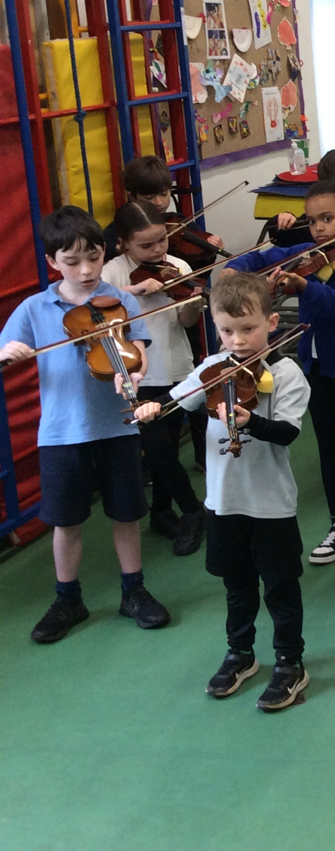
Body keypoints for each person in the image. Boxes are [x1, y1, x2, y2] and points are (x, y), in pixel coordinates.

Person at [135, 273, 312, 711]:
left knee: (280, 588)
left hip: (270, 505)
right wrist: (154, 405)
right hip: (223, 502)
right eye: (227, 331)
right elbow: (176, 400)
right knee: (236, 586)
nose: (238, 341)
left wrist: (251, 421)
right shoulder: (212, 369)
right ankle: (241, 653)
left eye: (248, 328)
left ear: (272, 322)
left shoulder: (285, 373)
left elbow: (287, 433)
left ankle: (290, 661)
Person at [0, 206, 169, 643]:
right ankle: (67, 599)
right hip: (61, 432)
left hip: (117, 425)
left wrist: (134, 373)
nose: (87, 270)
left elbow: (137, 351)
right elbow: (5, 351)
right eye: (72, 261)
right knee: (66, 520)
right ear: (52, 261)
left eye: (94, 257)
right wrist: (8, 354)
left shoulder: (121, 301)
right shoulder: (34, 308)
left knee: (126, 514)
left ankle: (134, 590)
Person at [227, 179, 335, 569]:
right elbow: (266, 256)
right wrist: (236, 269)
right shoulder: (309, 253)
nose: (317, 228)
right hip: (316, 367)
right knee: (329, 448)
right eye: (312, 221)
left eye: (327, 219)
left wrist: (305, 287)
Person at [103, 200, 208, 556]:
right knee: (159, 449)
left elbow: (186, 322)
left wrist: (192, 302)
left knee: (169, 446)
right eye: (146, 245)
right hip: (138, 373)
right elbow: (100, 311)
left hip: (175, 364)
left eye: (162, 240)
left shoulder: (177, 266)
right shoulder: (113, 273)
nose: (157, 250)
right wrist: (134, 291)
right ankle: (193, 510)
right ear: (123, 243)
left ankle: (162, 513)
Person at [102, 154, 223, 265]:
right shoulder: (118, 230)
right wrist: (120, 251)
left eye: (164, 194)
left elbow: (199, 273)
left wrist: (209, 254)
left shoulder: (182, 224)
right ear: (132, 196)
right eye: (149, 198)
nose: (158, 202)